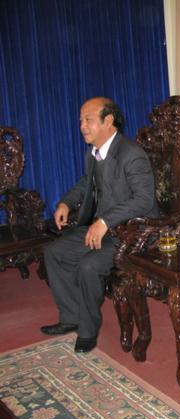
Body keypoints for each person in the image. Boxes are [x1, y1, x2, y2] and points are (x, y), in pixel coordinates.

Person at [41, 97, 158, 353]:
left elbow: (144, 200)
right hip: (102, 227)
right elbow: (86, 182)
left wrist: (105, 220)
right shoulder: (93, 152)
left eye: (88, 120)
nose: (82, 126)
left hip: (131, 231)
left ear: (108, 121)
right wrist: (66, 203)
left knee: (89, 266)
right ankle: (71, 317)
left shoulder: (131, 154)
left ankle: (87, 331)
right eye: (81, 120)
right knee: (54, 252)